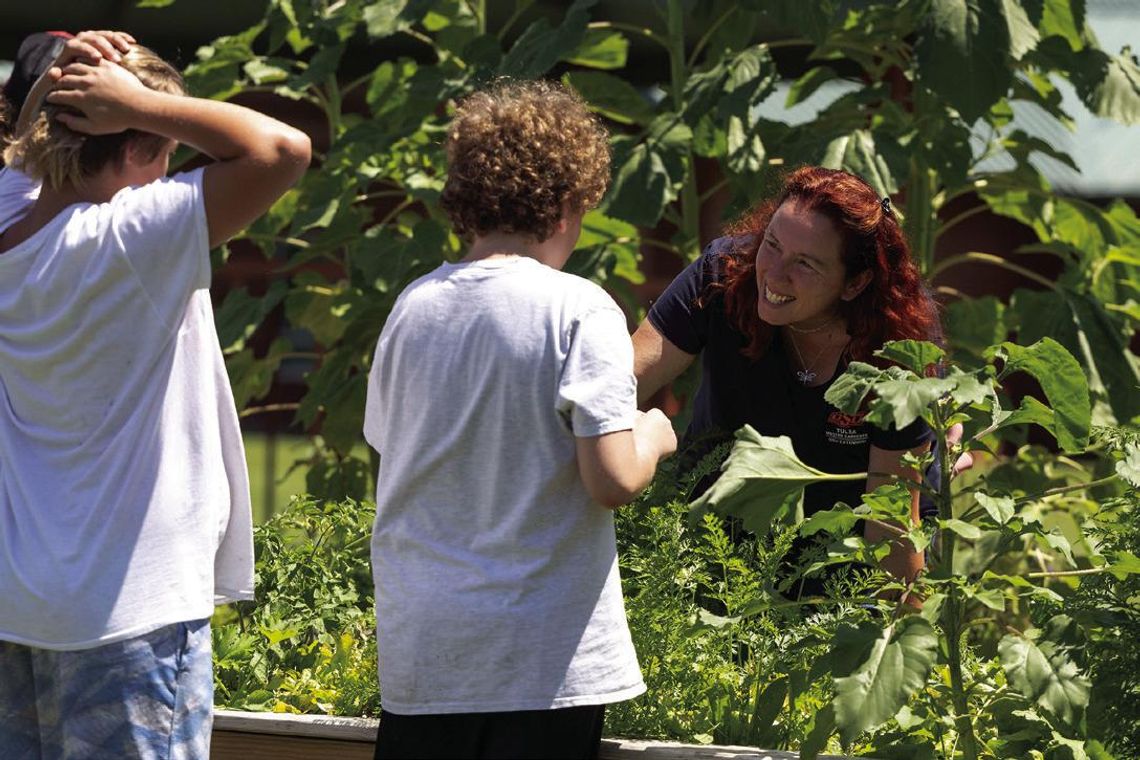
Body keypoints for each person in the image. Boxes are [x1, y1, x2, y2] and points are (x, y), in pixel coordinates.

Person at [0, 30, 311, 758]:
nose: (172, 167)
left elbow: (22, 157)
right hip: (126, 611)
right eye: (166, 150)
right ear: (134, 145)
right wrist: (139, 101)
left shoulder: (10, 224)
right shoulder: (130, 240)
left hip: (21, 606)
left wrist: (70, 82)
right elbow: (281, 149)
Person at [363, 80, 677, 760]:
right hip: (540, 662)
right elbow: (612, 479)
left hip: (424, 656)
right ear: (568, 202)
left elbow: (392, 449)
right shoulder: (579, 309)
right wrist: (652, 435)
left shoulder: (413, 308)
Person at [633, 166, 943, 592]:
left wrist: (889, 641)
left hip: (847, 553)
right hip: (719, 524)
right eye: (773, 245)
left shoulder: (899, 347)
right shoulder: (723, 274)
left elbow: (889, 530)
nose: (774, 275)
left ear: (855, 283)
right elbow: (618, 385)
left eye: (806, 265)